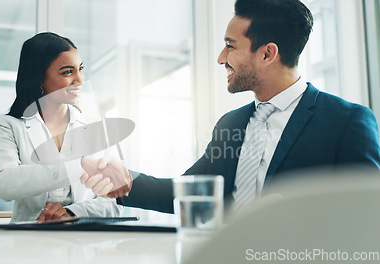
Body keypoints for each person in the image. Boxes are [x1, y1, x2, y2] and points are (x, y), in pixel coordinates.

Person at [80, 0, 380, 214]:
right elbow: (192, 191)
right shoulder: (230, 124)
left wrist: (299, 215)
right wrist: (127, 181)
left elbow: (368, 209)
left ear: (267, 54)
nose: (221, 57)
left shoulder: (347, 122)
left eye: (230, 45)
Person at [0, 32, 121, 223]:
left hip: (84, 244)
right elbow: (3, 184)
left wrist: (72, 212)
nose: (80, 79)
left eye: (80, 69)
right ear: (40, 78)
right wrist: (78, 166)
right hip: (28, 241)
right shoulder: (9, 126)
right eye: (68, 72)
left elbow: (115, 201)